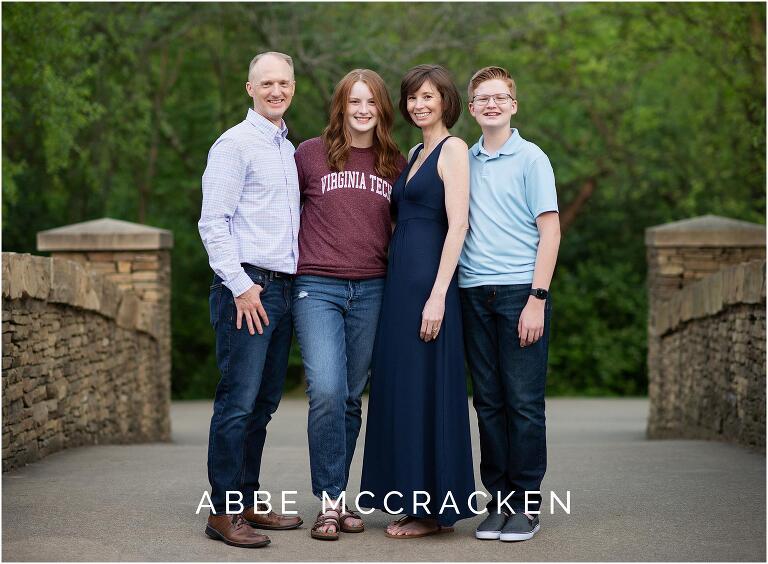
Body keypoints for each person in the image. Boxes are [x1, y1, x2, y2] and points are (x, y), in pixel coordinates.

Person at [360, 64, 475, 538]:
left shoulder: (455, 150)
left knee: (429, 390)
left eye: (428, 96)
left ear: (446, 101)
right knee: (401, 389)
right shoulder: (412, 152)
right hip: (399, 283)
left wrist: (438, 296)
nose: (419, 104)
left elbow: (460, 225)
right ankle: (407, 497)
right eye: (412, 97)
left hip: (430, 285)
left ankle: (435, 511)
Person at [291, 69, 407, 541]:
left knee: (350, 398)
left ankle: (337, 499)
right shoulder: (309, 155)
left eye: (371, 103)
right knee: (326, 389)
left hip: (373, 290)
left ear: (382, 110)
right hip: (317, 286)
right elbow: (278, 210)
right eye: (353, 102)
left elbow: (408, 227)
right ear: (340, 105)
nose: (362, 110)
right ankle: (330, 501)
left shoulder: (396, 163)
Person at [198, 51, 304, 549]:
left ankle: (246, 499)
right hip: (248, 289)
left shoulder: (287, 148)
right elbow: (212, 222)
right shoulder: (234, 144)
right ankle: (222, 512)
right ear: (249, 88)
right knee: (238, 403)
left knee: (262, 403)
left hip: (283, 288)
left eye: (283, 83)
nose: (275, 91)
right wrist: (240, 286)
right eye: (266, 84)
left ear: (293, 87)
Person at [459, 66, 560, 542]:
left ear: (513, 105)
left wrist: (537, 299)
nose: (492, 104)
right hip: (473, 293)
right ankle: (498, 502)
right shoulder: (466, 159)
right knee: (488, 403)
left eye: (500, 97)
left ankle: (527, 505)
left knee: (523, 403)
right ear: (473, 107)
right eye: (483, 98)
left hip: (521, 292)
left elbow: (550, 231)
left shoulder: (532, 159)